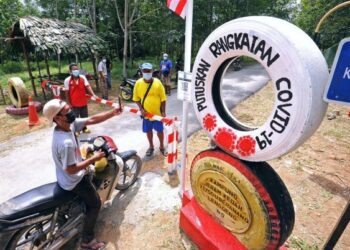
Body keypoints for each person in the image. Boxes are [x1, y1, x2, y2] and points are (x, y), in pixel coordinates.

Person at [43, 99, 122, 250]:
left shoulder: (67, 126)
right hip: (74, 180)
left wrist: (113, 112)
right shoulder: (65, 142)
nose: (71, 111)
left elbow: (91, 119)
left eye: (70, 107)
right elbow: (71, 169)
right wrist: (94, 158)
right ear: (58, 117)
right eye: (68, 111)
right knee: (95, 204)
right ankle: (87, 240)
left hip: (64, 177)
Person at [133, 62, 167, 157]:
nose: (147, 73)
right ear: (142, 72)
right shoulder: (138, 83)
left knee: (160, 131)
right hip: (146, 115)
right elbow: (136, 98)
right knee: (148, 131)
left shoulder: (158, 82)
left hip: (157, 114)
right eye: (145, 71)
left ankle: (162, 147)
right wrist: (141, 109)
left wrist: (163, 112)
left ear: (152, 71)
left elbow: (163, 98)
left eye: (149, 71)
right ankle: (151, 147)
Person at [64, 63, 96, 134]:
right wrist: (68, 103)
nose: (76, 71)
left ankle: (84, 128)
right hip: (74, 103)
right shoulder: (67, 80)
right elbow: (66, 93)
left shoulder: (82, 77)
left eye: (77, 69)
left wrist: (93, 94)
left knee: (84, 117)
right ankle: (77, 130)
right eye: (74, 69)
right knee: (75, 118)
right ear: (70, 71)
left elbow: (88, 86)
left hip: (83, 102)